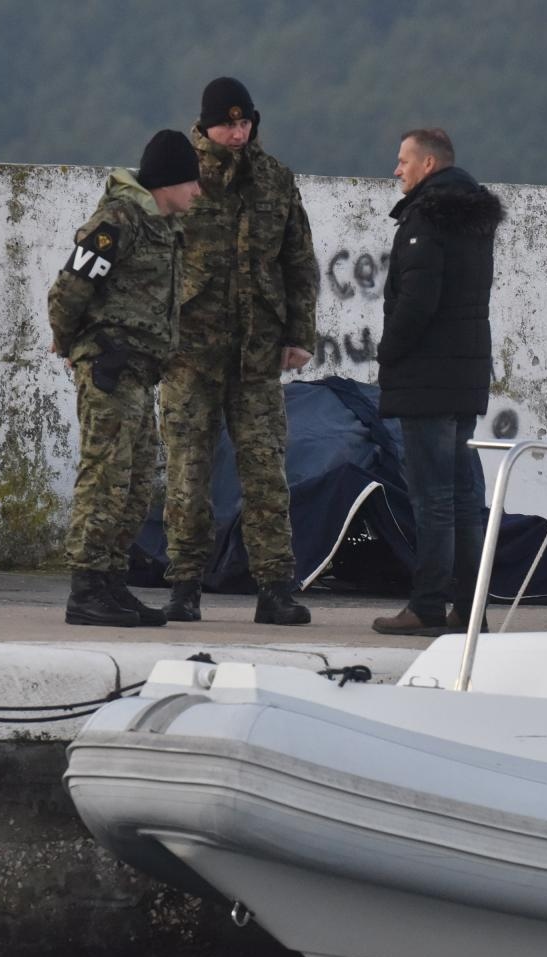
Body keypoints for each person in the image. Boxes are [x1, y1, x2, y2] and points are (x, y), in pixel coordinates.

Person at [160, 76, 318, 626]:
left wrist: (300, 335)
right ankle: (184, 586)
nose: (238, 132)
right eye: (228, 123)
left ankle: (275, 587)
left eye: (245, 122)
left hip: (256, 355)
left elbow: (299, 263)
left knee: (266, 473)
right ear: (205, 125)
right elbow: (150, 258)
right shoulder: (181, 175)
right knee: (187, 474)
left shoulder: (274, 179)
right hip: (190, 353)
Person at [50, 130, 201, 627]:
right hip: (111, 367)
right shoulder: (118, 221)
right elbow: (71, 286)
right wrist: (70, 341)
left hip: (140, 372)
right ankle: (86, 589)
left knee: (136, 483)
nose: (198, 192)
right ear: (168, 182)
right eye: (190, 182)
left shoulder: (163, 225)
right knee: (105, 478)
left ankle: (112, 582)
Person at [371, 129, 505, 637]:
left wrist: (388, 352)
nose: (396, 169)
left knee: (432, 499)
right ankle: (471, 612)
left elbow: (417, 300)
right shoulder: (473, 219)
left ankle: (427, 606)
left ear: (428, 164)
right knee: (465, 498)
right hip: (464, 374)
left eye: (403, 160)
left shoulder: (424, 218)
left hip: (426, 376)